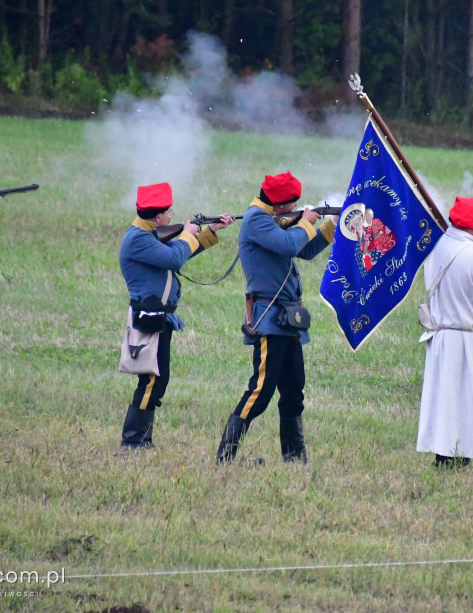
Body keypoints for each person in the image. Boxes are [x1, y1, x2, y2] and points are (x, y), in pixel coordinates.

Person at [215, 171, 335, 465]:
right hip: (270, 318)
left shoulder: (271, 219)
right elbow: (289, 246)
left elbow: (304, 250)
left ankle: (294, 457)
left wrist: (332, 227)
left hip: (288, 318)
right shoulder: (256, 218)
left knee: (293, 390)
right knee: (261, 390)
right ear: (280, 205)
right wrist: (306, 222)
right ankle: (225, 456)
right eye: (292, 204)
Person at [118, 182, 234, 449]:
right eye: (168, 213)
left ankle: (142, 439)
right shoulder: (138, 239)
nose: (171, 216)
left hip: (160, 317)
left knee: (157, 380)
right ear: (158, 218)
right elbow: (174, 259)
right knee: (151, 380)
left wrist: (209, 231)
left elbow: (177, 253)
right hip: (150, 317)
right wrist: (186, 234)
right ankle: (133, 441)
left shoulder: (147, 235)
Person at [416, 195, 473, 468]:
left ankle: (443, 455)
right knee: (467, 401)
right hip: (468, 339)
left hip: (442, 335)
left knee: (444, 400)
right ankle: (459, 458)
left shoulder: (436, 246)